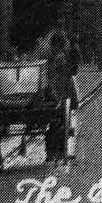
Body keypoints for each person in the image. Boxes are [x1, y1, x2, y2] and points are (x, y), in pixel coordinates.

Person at [44, 31, 77, 164]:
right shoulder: (60, 58)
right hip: (61, 94)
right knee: (62, 124)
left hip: (52, 94)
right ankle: (59, 152)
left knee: (54, 125)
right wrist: (74, 98)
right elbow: (68, 78)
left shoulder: (49, 57)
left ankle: (51, 153)